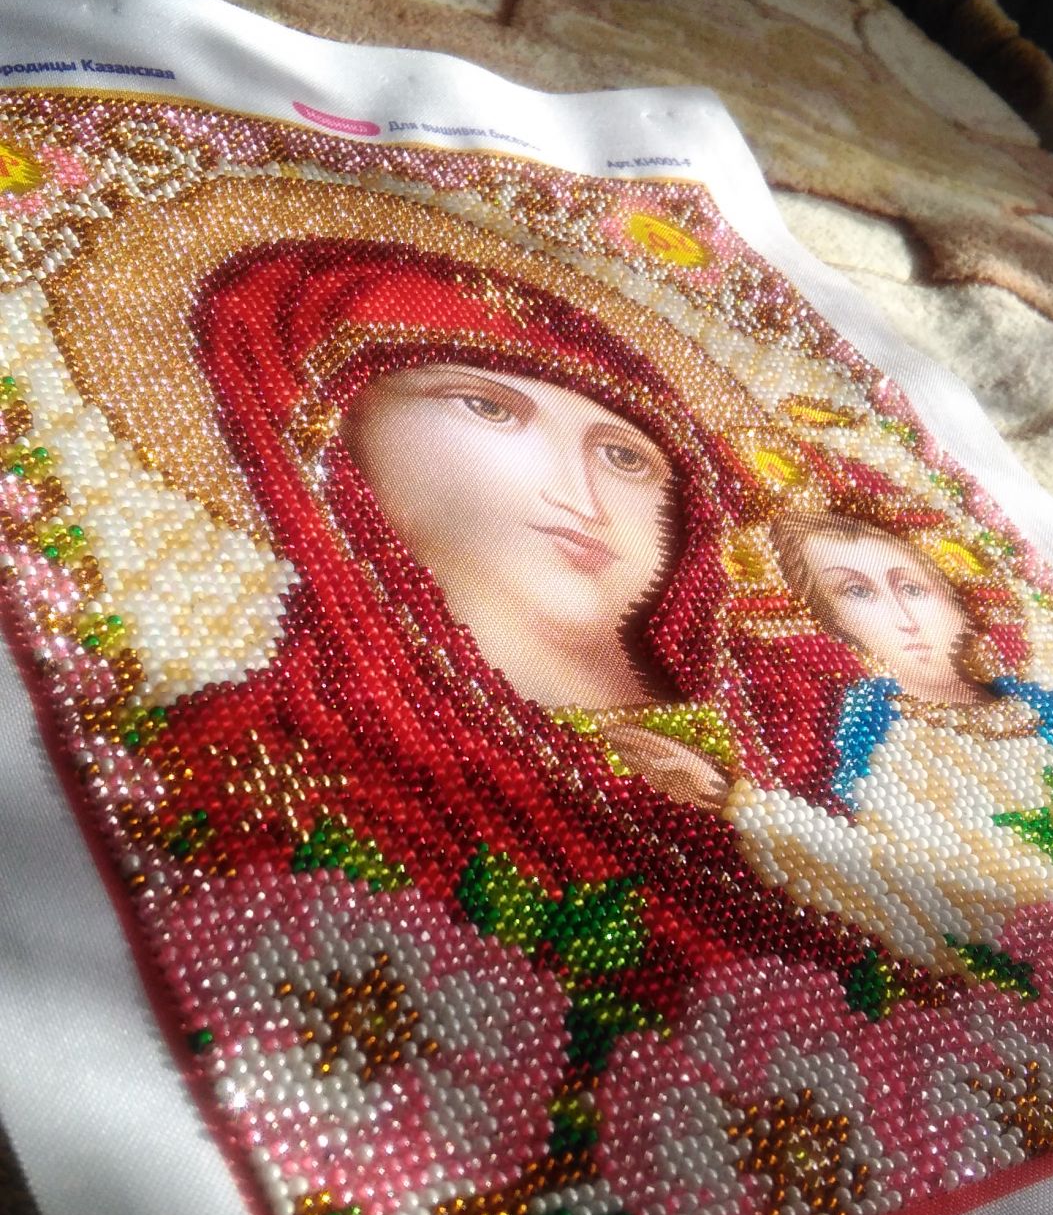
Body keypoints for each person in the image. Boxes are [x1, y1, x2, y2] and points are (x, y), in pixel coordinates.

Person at [153, 235, 877, 994]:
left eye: (624, 456)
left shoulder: (817, 721)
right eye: (488, 407)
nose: (578, 494)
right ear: (329, 420)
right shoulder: (275, 757)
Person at [722, 506, 1053, 974]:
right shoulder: (866, 742)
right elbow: (884, 879)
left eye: (912, 587)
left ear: (958, 598)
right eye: (856, 591)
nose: (905, 615)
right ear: (824, 618)